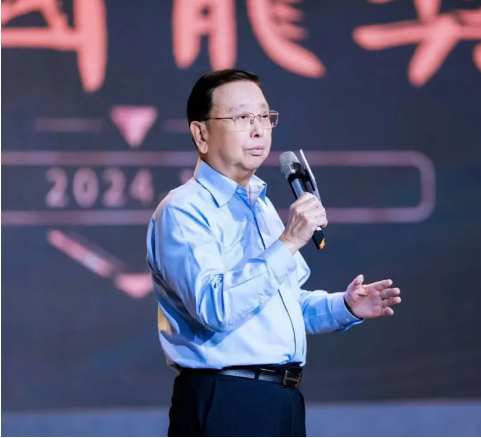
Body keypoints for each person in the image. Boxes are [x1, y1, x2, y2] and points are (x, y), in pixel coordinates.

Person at [146, 69, 402, 437]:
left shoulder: (260, 204)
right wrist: (288, 241)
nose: (258, 129)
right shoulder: (184, 210)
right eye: (241, 117)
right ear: (201, 134)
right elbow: (215, 306)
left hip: (281, 399)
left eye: (264, 116)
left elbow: (282, 302)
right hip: (226, 398)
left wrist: (344, 306)